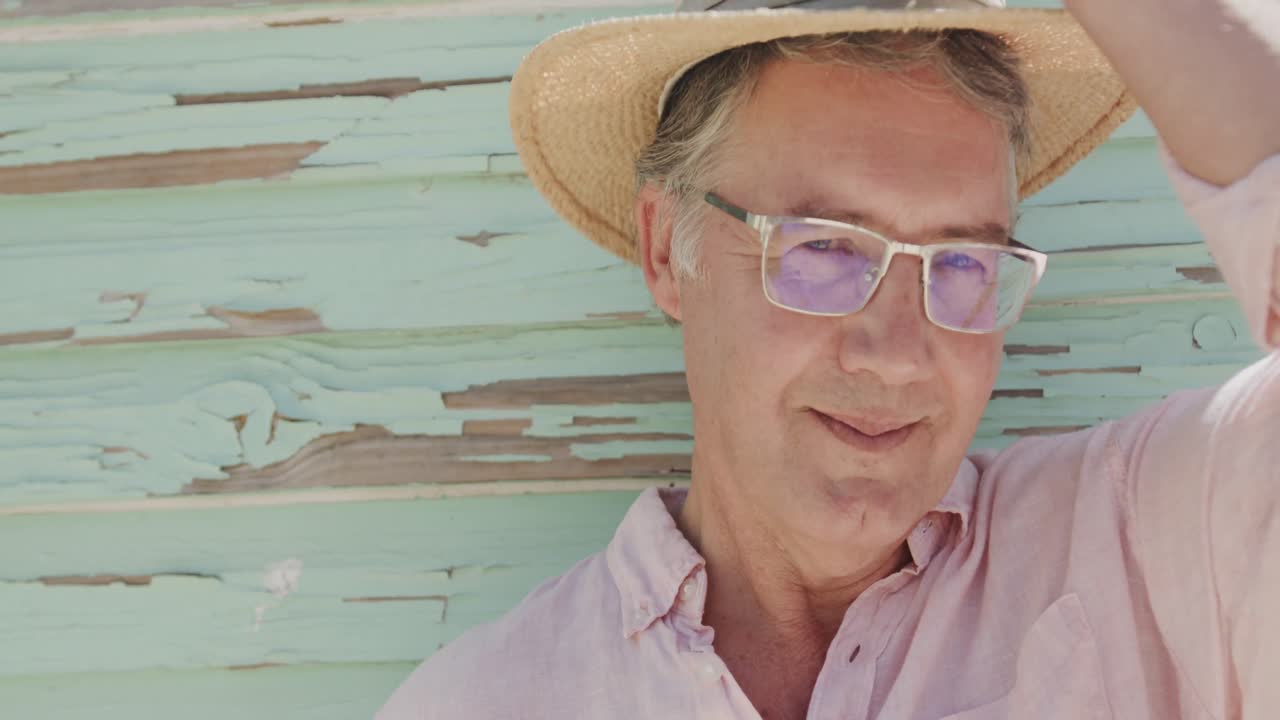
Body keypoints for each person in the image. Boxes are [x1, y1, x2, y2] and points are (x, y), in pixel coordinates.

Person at [376, 0, 1279, 717]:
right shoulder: (483, 703)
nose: (895, 355)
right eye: (823, 248)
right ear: (665, 251)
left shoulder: (1155, 552)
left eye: (961, 262)